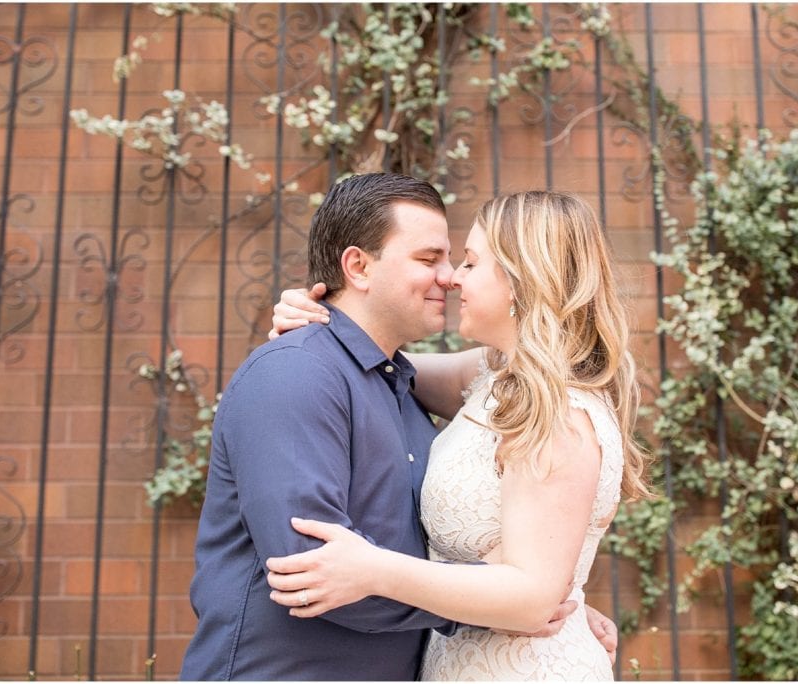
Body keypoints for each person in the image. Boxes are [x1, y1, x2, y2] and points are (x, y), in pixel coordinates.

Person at [180, 174, 615, 681]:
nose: (451, 277)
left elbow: (417, 553)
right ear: (358, 266)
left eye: (464, 262)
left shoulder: (412, 384)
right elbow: (313, 569)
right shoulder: (298, 372)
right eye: (431, 259)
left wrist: (541, 594)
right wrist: (502, 602)